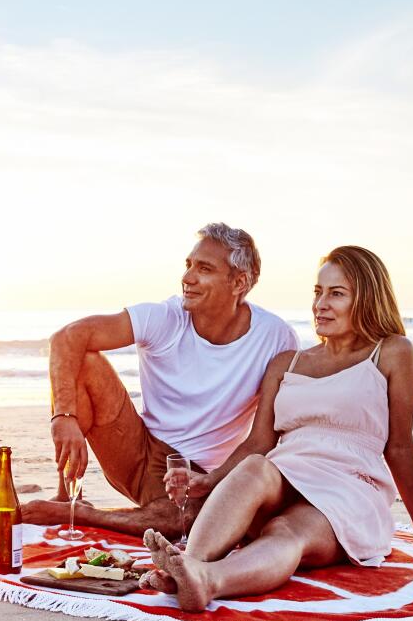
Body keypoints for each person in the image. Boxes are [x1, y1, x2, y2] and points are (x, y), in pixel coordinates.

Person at [142, 245, 413, 611]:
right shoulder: (287, 363)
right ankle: (191, 562)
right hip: (283, 476)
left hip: (347, 489)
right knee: (256, 467)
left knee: (286, 531)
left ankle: (209, 581)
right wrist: (213, 479)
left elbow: (399, 446)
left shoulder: (393, 352)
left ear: (367, 298)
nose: (321, 304)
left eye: (336, 294)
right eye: (318, 292)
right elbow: (259, 442)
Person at [19, 223, 300, 537]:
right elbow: (67, 337)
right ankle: (68, 494)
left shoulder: (276, 337)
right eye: (188, 265)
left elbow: (263, 438)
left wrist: (217, 479)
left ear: (239, 282)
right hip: (133, 446)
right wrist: (64, 417)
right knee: (84, 361)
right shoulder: (166, 318)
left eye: (204, 269)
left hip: (197, 471)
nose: (188, 278)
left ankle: (84, 515)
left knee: (181, 522)